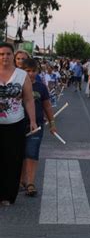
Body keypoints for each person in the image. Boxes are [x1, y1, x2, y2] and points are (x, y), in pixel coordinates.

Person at [0, 43, 37, 206]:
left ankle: (8, 195)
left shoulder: (22, 75)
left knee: (13, 159)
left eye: (8, 54)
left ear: (12, 56)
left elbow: (29, 100)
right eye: (1, 54)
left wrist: (33, 121)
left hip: (16, 123)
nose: (4, 57)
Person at [21, 58, 57, 197]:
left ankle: (30, 183)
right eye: (27, 71)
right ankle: (21, 181)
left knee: (32, 152)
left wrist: (52, 124)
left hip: (36, 125)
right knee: (20, 153)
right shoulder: (17, 85)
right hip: (18, 124)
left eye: (33, 71)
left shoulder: (41, 87)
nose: (31, 74)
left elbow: (47, 106)